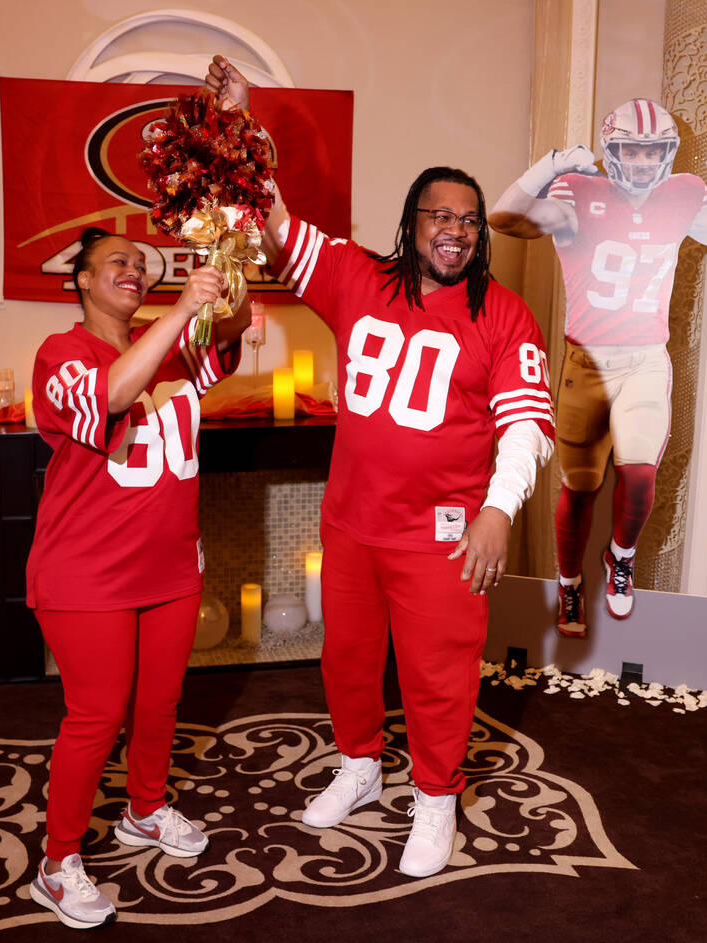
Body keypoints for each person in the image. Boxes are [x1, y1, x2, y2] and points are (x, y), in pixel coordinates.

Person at [206, 56, 556, 879]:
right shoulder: (356, 276)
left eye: (469, 219)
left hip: (444, 533)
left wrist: (499, 510)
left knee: (438, 675)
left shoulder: (504, 313)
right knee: (349, 660)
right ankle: (361, 763)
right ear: (412, 224)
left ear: (479, 233)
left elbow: (527, 425)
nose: (455, 228)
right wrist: (240, 123)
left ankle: (436, 797)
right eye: (438, 214)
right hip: (354, 520)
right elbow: (268, 219)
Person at [25, 227, 248, 928]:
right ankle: (57, 863)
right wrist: (182, 308)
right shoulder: (63, 352)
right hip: (85, 571)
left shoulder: (171, 342)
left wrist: (230, 251)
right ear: (82, 281)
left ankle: (145, 809)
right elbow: (115, 394)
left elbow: (237, 320)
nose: (132, 269)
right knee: (96, 716)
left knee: (159, 704)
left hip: (170, 566)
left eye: (140, 263)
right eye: (115, 262)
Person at [489, 99, 707, 636]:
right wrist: (550, 165)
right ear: (611, 150)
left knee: (640, 476)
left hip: (645, 358)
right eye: (631, 150)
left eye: (653, 151)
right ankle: (568, 584)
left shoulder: (681, 195)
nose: (642, 162)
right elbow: (505, 219)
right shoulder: (579, 195)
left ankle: (620, 559)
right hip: (585, 363)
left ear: (669, 154)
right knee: (580, 487)